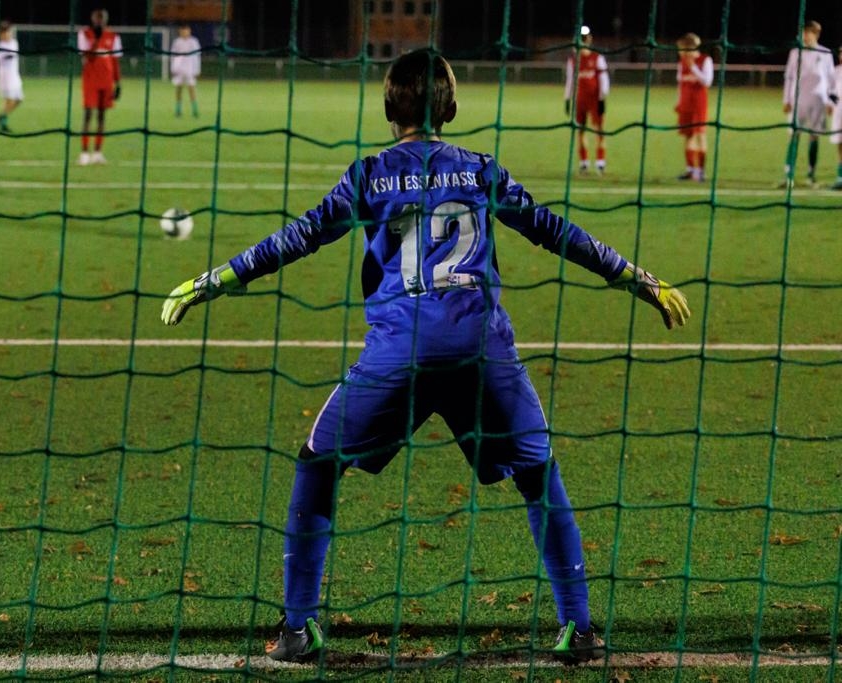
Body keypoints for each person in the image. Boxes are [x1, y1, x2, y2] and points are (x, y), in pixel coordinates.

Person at [161, 49, 690, 664]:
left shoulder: (370, 174)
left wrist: (217, 279)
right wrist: (636, 278)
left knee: (317, 464)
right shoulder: (481, 170)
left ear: (390, 108)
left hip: (399, 356)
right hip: (481, 354)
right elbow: (552, 230)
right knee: (538, 476)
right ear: (452, 107)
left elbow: (300, 236)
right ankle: (580, 628)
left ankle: (299, 628)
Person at [780, 20, 837, 188]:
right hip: (797, 100)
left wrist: (830, 101)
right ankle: (788, 174)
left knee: (814, 136)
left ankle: (811, 174)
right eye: (803, 33)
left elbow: (831, 79)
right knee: (794, 135)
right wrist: (786, 100)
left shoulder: (825, 53)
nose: (804, 36)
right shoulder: (795, 52)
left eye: (808, 33)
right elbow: (789, 77)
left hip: (818, 101)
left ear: (816, 34)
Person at [77, 8, 122, 166]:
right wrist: (96, 40)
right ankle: (84, 153)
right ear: (92, 18)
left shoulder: (114, 36)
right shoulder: (84, 34)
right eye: (97, 17)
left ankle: (97, 152)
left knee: (102, 116)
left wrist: (118, 83)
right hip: (90, 80)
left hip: (106, 81)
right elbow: (87, 57)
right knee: (88, 115)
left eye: (102, 18)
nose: (100, 20)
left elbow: (115, 61)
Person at [564, 26, 610, 175]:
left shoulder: (597, 57)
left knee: (600, 130)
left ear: (589, 39)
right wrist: (567, 99)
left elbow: (604, 79)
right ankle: (584, 163)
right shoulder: (573, 59)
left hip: (595, 99)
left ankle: (600, 163)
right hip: (580, 100)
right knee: (581, 131)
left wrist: (602, 98)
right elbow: (570, 80)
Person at [674, 33, 714, 182]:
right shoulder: (681, 62)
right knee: (687, 136)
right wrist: (678, 102)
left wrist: (693, 68)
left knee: (699, 135)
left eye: (682, 49)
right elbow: (680, 83)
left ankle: (701, 171)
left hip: (699, 104)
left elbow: (707, 82)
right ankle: (690, 170)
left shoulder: (705, 60)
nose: (680, 52)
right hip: (685, 104)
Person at [0, 20, 23, 133]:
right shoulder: (0, 46)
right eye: (3, 32)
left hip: (15, 76)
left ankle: (1, 116)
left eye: (7, 31)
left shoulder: (14, 43)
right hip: (5, 77)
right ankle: (3, 121)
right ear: (0, 34)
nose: (6, 34)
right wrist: (3, 56)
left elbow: (13, 54)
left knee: (19, 100)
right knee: (9, 100)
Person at [170, 24, 202, 118]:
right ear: (180, 32)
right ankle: (178, 110)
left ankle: (195, 110)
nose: (184, 33)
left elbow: (197, 56)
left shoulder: (194, 41)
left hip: (190, 68)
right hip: (179, 68)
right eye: (183, 31)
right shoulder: (177, 42)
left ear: (189, 31)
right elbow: (173, 56)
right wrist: (173, 68)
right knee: (178, 89)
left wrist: (197, 70)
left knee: (191, 88)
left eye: (186, 31)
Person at [831, 46, 842, 190]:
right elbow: (831, 92)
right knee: (840, 143)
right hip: (839, 111)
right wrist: (832, 103)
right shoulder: (836, 71)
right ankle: (840, 177)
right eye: (840, 53)